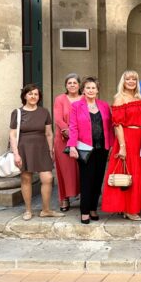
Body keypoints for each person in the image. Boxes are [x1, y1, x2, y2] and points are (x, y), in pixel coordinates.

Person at [101, 70, 141, 221]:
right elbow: (117, 125)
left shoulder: (140, 97)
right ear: (123, 82)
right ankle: (129, 209)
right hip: (127, 139)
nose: (131, 81)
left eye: (134, 79)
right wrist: (122, 146)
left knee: (138, 174)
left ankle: (130, 206)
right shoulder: (120, 98)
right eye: (128, 79)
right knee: (129, 172)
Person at [9, 84, 65, 221]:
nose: (33, 96)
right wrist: (16, 154)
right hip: (24, 149)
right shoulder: (17, 113)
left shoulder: (44, 112)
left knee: (48, 178)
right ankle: (28, 211)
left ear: (39, 97)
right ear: (25, 96)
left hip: (41, 148)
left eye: (36, 94)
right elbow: (13, 135)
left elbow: (49, 133)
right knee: (26, 178)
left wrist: (51, 149)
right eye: (30, 94)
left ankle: (46, 210)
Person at [68, 77, 114, 224]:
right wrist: (72, 146)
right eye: (88, 88)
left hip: (102, 148)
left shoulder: (104, 105)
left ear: (97, 90)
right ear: (83, 90)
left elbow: (110, 127)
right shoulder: (76, 106)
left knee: (98, 179)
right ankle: (85, 211)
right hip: (84, 149)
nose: (91, 90)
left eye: (93, 88)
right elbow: (73, 127)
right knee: (87, 180)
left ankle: (93, 208)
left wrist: (112, 145)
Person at [53, 73, 81, 212]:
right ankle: (64, 198)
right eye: (69, 83)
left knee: (82, 169)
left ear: (79, 85)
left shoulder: (85, 98)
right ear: (66, 85)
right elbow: (58, 119)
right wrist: (69, 132)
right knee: (65, 170)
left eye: (75, 83)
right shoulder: (60, 99)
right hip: (63, 139)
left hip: (83, 139)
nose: (72, 85)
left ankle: (84, 196)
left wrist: (77, 135)